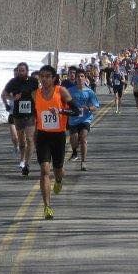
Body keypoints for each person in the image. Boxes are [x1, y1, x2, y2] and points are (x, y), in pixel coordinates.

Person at [33, 65, 80, 219]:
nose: (44, 79)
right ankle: (47, 207)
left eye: (48, 76)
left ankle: (59, 180)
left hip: (58, 136)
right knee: (45, 171)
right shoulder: (36, 94)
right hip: (42, 136)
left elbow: (76, 111)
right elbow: (35, 115)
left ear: (53, 78)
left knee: (58, 169)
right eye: (42, 76)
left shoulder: (61, 91)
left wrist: (60, 111)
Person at [4, 62, 39, 176]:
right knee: (22, 141)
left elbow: (38, 94)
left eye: (22, 70)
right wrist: (13, 98)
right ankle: (22, 159)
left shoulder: (33, 82)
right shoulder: (13, 82)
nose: (20, 72)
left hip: (30, 114)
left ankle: (27, 164)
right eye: (19, 70)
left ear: (27, 71)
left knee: (29, 139)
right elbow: (4, 94)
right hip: (18, 115)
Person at [67, 70, 100, 171]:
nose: (80, 78)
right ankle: (74, 151)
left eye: (82, 76)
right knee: (74, 139)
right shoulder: (69, 91)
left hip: (85, 118)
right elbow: (63, 103)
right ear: (75, 79)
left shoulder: (90, 92)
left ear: (85, 78)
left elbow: (96, 106)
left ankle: (83, 162)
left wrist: (89, 108)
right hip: (73, 119)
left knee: (83, 138)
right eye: (78, 76)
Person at [2, 66, 21, 153]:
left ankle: (24, 148)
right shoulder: (11, 83)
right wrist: (6, 104)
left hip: (24, 115)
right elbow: (3, 95)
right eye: (14, 74)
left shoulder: (26, 83)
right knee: (14, 136)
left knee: (23, 135)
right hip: (13, 113)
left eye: (17, 73)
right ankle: (16, 146)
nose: (16, 75)